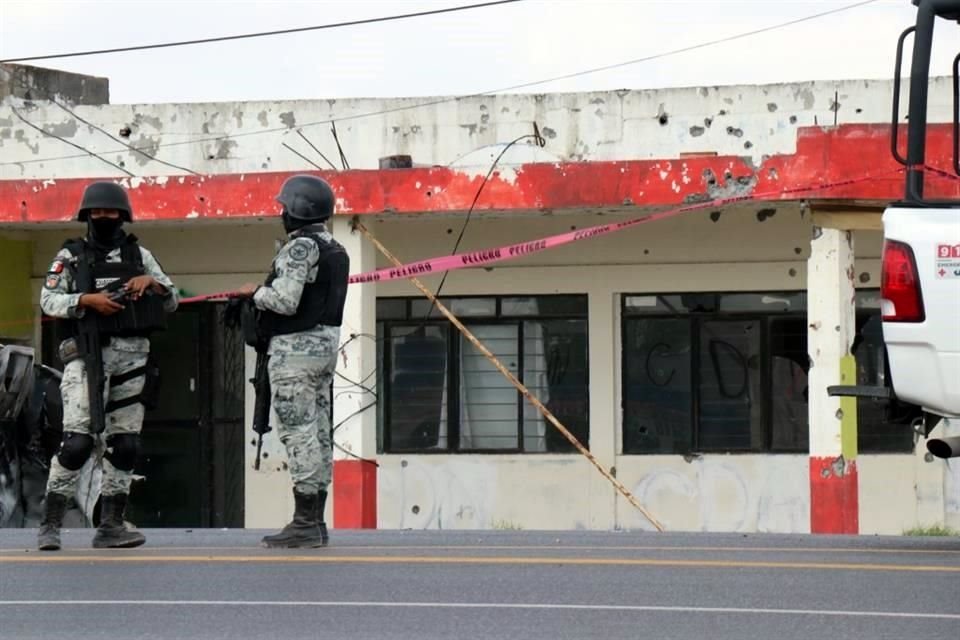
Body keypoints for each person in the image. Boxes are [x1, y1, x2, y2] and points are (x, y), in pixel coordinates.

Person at [37, 181, 178, 551]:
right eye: (96, 212)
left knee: (125, 445)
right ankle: (50, 524)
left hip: (134, 358)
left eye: (110, 211)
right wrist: (87, 300)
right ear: (87, 216)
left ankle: (112, 524)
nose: (103, 217)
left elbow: (172, 299)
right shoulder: (71, 256)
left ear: (122, 215)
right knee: (77, 443)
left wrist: (152, 283)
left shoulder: (139, 255)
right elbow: (48, 300)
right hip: (87, 357)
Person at [236, 174, 349, 549]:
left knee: (298, 432)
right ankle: (316, 521)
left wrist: (254, 292)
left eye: (285, 207)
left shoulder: (300, 247)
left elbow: (285, 300)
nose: (282, 213)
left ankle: (304, 523)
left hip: (295, 353)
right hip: (324, 348)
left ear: (299, 209)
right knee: (319, 433)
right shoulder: (335, 247)